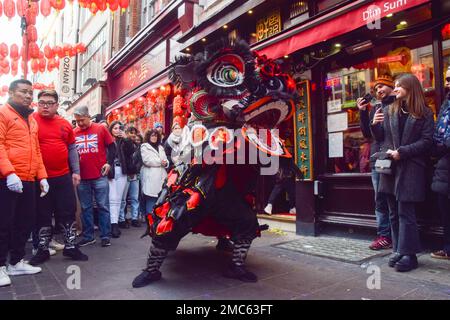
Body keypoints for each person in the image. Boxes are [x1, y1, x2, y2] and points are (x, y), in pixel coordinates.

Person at [371, 73, 434, 272]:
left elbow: (427, 141)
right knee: (392, 212)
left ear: (411, 88)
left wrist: (403, 152)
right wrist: (374, 124)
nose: (395, 89)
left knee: (405, 211)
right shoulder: (389, 110)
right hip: (390, 167)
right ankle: (398, 249)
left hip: (411, 167)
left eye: (400, 85)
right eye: (395, 85)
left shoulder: (424, 112)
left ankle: (410, 254)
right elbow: (381, 138)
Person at [29, 90, 88, 265]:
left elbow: (72, 149)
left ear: (56, 105)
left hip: (63, 176)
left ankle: (70, 247)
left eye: (49, 103)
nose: (45, 106)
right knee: (42, 214)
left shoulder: (64, 124)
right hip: (40, 178)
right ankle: (42, 249)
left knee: (67, 212)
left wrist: (76, 171)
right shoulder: (31, 121)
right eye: (41, 102)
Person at [0, 79, 48, 287]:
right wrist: (9, 173)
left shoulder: (32, 119)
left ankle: (16, 261)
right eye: (23, 92)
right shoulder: (3, 113)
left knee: (24, 222)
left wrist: (42, 176)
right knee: (3, 224)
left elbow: (36, 151)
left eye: (30, 92)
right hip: (7, 179)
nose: (28, 96)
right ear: (11, 93)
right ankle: (0, 265)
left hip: (28, 179)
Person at [357, 74, 395, 250]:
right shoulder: (376, 108)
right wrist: (363, 112)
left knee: (393, 198)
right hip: (378, 160)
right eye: (377, 87)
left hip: (393, 159)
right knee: (380, 199)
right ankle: (384, 235)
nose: (379, 90)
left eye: (383, 86)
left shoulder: (397, 105)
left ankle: (396, 237)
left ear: (392, 87)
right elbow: (367, 134)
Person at [74, 106, 115, 248]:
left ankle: (105, 236)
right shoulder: (74, 132)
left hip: (99, 175)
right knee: (86, 208)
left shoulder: (101, 128)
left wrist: (109, 163)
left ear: (88, 116)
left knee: (103, 206)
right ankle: (88, 236)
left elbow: (112, 147)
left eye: (82, 120)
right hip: (82, 177)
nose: (80, 124)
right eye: (77, 121)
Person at [430, 68, 450, 260]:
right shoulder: (446, 103)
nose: (447, 82)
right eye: (446, 79)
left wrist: (444, 144)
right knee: (445, 209)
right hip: (444, 165)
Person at [107, 121, 135, 237]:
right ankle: (112, 224)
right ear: (111, 130)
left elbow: (131, 151)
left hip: (122, 170)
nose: (118, 130)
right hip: (111, 170)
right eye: (115, 128)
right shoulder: (108, 141)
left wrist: (126, 139)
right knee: (112, 198)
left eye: (119, 128)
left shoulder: (124, 141)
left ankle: (115, 223)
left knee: (118, 199)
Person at [140, 129, 169, 215]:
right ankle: (150, 222)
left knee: (160, 201)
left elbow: (165, 159)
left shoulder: (161, 147)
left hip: (162, 177)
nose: (154, 137)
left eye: (156, 135)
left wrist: (166, 163)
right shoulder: (144, 146)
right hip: (151, 177)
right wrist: (161, 162)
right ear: (148, 136)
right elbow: (147, 160)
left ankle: (157, 224)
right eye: (152, 135)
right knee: (151, 200)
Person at [118, 126, 142, 228]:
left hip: (135, 174)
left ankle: (134, 218)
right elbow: (125, 158)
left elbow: (139, 161)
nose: (132, 135)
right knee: (123, 199)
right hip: (126, 174)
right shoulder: (123, 144)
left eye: (134, 133)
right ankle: (121, 219)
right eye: (130, 132)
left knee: (134, 198)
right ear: (126, 133)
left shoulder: (137, 146)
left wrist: (135, 171)